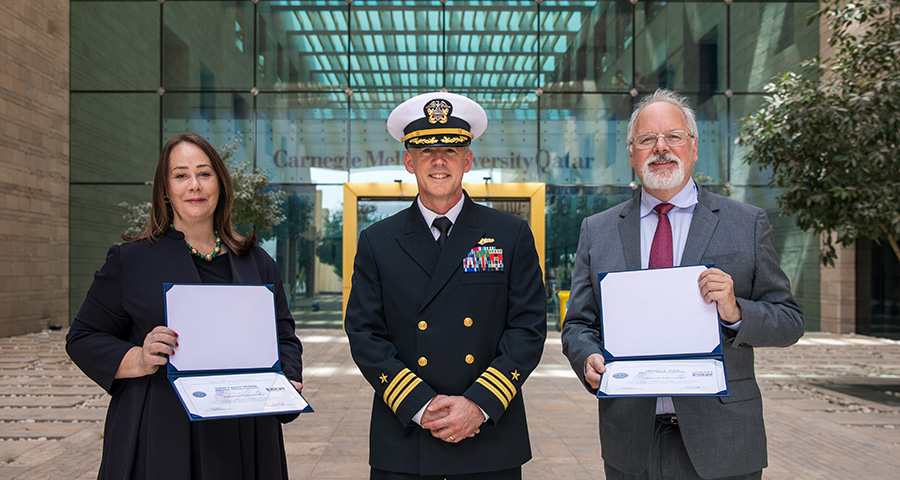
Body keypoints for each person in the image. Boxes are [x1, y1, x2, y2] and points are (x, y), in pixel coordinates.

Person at [560, 89, 804, 480]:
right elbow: (577, 325)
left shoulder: (746, 222)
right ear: (632, 155)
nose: (661, 148)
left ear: (693, 148)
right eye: (647, 140)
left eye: (673, 136)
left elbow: (790, 321)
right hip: (631, 442)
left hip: (724, 441)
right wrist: (586, 357)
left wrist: (736, 311)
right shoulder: (598, 230)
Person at [66, 133, 304, 479]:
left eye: (204, 174)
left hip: (245, 432)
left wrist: (288, 379)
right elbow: (83, 337)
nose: (194, 185)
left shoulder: (257, 262)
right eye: (181, 175)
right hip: (161, 432)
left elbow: (284, 337)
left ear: (220, 185)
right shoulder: (129, 261)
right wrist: (139, 358)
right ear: (166, 190)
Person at [344, 92, 547, 480]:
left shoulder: (510, 234)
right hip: (405, 437)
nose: (439, 160)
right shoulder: (377, 240)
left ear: (467, 160)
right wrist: (422, 406)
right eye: (425, 150)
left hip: (488, 436)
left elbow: (529, 327)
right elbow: (365, 333)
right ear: (409, 161)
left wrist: (478, 404)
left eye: (451, 149)